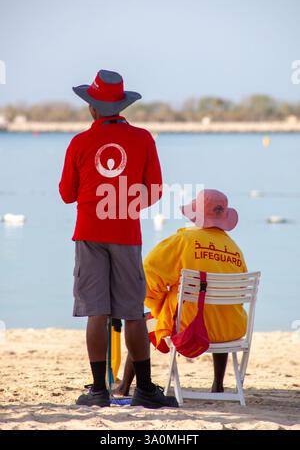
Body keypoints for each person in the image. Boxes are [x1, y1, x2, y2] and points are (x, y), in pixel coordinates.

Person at [59, 69, 178, 408]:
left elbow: (67, 194)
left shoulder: (80, 142)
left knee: (96, 311)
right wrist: (124, 206)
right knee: (132, 311)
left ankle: (98, 391)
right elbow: (154, 190)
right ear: (122, 108)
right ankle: (144, 389)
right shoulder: (143, 139)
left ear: (92, 108)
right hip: (126, 232)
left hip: (89, 232)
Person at [114, 189, 248, 397]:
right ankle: (218, 385)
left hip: (188, 328)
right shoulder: (234, 249)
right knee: (216, 310)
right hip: (229, 330)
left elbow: (146, 277)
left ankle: (124, 387)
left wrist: (158, 304)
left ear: (196, 215)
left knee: (140, 322)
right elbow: (238, 291)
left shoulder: (183, 240)